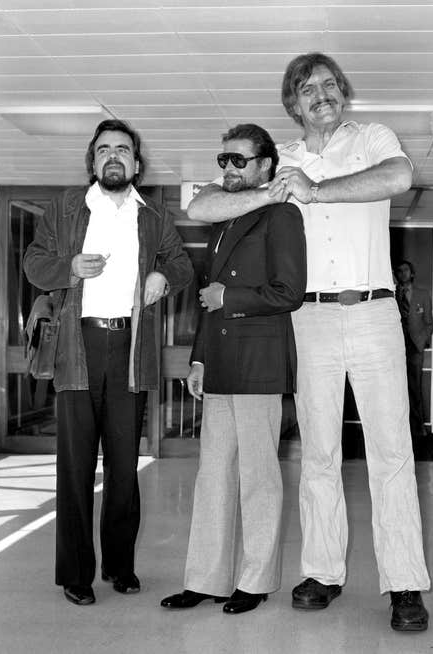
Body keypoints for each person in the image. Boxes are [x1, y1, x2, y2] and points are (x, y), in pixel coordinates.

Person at [187, 53, 430, 632]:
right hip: (310, 320)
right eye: (306, 88)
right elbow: (201, 205)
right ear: (292, 105)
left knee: (391, 453)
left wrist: (315, 190)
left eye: (329, 85)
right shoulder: (282, 161)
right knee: (318, 453)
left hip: (373, 312)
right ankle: (322, 572)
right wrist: (272, 194)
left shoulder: (371, 137)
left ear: (342, 93)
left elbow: (398, 178)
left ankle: (404, 585)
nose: (320, 94)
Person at [23, 119, 193, 606]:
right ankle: (76, 574)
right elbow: (35, 263)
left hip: (129, 350)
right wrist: (69, 267)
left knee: (124, 468)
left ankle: (121, 566)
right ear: (92, 162)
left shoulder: (154, 217)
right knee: (75, 467)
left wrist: (163, 273)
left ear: (136, 164)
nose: (112, 156)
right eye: (103, 150)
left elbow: (182, 265)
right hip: (77, 349)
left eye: (122, 150)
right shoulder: (65, 210)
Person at [160, 124, 306, 615]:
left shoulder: (282, 215)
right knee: (212, 474)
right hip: (221, 363)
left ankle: (256, 579)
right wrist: (199, 357)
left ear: (266, 165)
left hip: (259, 364)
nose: (228, 169)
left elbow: (290, 292)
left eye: (238, 160)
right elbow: (207, 298)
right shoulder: (224, 219)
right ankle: (206, 578)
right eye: (223, 160)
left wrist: (232, 298)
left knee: (260, 476)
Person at [395, 260, 433, 440]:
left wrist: (422, 341)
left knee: (415, 388)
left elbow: (429, 323)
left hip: (415, 346)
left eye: (406, 270)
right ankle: (398, 430)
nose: (402, 273)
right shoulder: (392, 295)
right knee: (395, 389)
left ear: (412, 274)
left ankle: (418, 428)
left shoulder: (423, 294)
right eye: (399, 271)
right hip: (395, 347)